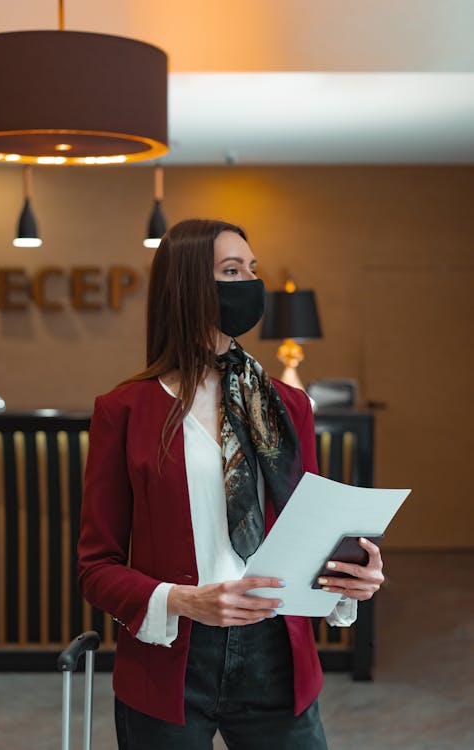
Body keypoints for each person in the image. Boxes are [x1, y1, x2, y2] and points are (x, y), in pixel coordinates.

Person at [77, 218, 384, 749]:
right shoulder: (125, 411)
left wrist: (354, 570)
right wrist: (183, 600)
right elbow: (95, 568)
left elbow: (309, 528)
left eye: (251, 270)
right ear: (189, 285)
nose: (249, 283)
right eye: (230, 270)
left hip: (277, 656)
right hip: (170, 658)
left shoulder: (287, 407)